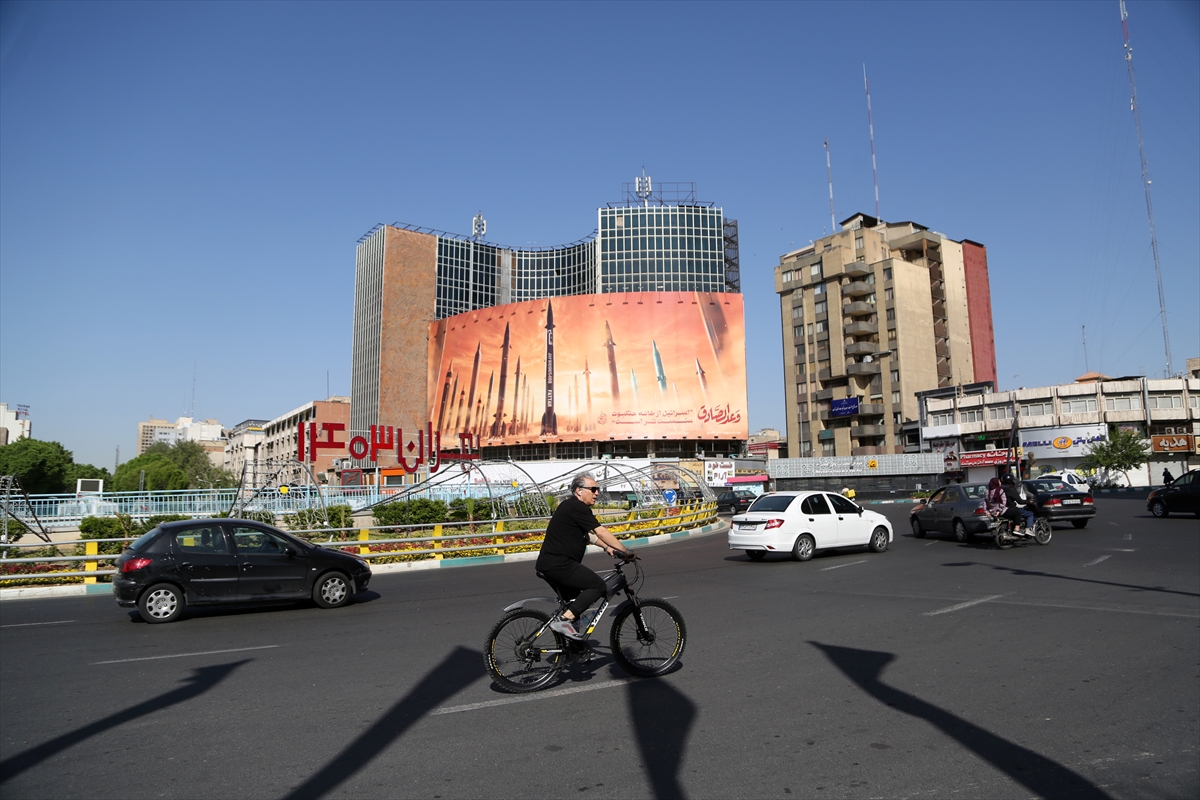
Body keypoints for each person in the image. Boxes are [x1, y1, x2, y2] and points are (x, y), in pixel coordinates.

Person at [537, 472, 634, 640]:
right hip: (560, 564)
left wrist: (607, 547)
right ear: (578, 491)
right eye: (593, 489)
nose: (597, 493)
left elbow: (588, 536)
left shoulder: (571, 507)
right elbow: (600, 531)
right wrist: (626, 551)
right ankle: (565, 620)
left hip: (551, 563)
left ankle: (573, 648)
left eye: (598, 489)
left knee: (575, 603)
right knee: (597, 587)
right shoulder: (577, 507)